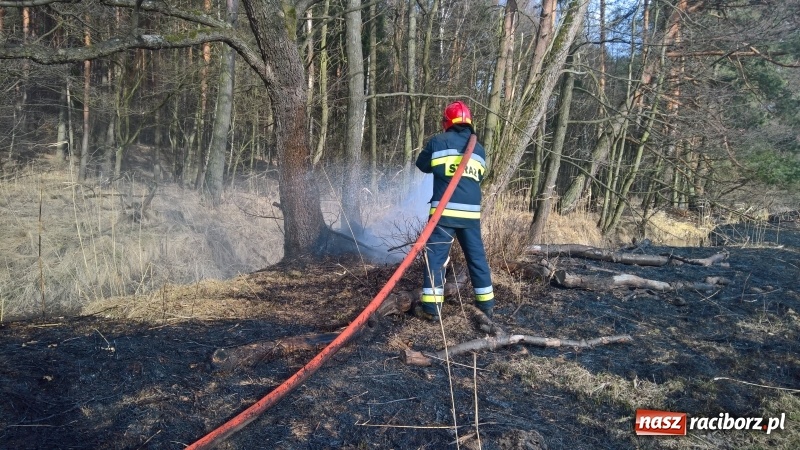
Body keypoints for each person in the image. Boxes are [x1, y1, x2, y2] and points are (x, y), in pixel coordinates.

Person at [413, 100, 495, 321]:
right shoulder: (479, 149)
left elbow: (421, 165)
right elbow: (479, 176)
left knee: (436, 258)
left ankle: (431, 310)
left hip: (444, 213)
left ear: (446, 122)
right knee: (477, 257)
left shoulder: (438, 141)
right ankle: (486, 305)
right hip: (470, 215)